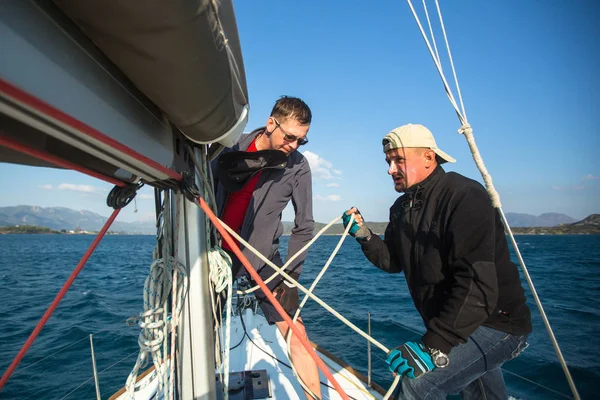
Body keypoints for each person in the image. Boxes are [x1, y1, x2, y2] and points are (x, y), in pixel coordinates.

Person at [342, 123, 532, 399]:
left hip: (495, 324)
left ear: (428, 158)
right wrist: (364, 236)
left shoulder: (464, 195)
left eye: (398, 160)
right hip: (457, 323)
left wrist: (434, 345)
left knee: (417, 383)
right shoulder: (401, 208)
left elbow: (477, 284)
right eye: (388, 161)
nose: (390, 169)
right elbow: (393, 261)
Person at [214, 96, 320, 398]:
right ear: (271, 123)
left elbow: (304, 226)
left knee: (296, 333)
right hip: (216, 257)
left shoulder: (298, 167)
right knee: (200, 331)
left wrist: (291, 278)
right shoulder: (229, 148)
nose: (295, 146)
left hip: (264, 260)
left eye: (302, 140)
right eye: (290, 137)